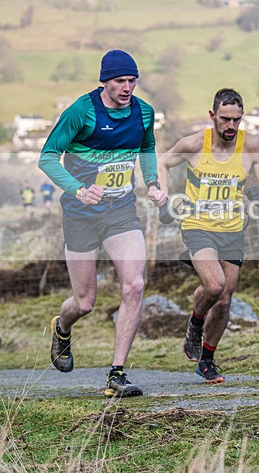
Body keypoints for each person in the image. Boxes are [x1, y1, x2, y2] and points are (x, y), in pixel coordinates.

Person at [38, 49, 166, 398]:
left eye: (132, 80)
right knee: (85, 302)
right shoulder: (82, 112)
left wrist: (152, 183)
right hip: (80, 214)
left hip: (120, 211)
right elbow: (47, 158)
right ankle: (62, 328)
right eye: (119, 81)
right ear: (105, 81)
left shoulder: (143, 112)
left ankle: (117, 374)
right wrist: (78, 190)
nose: (127, 87)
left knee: (134, 286)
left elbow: (147, 148)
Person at [157, 88, 259, 384]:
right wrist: (163, 196)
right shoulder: (194, 144)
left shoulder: (252, 146)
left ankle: (206, 361)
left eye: (236, 119)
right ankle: (195, 324)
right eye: (225, 119)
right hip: (197, 226)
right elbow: (162, 162)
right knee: (215, 285)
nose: (231, 126)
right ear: (213, 116)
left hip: (232, 230)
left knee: (223, 301)